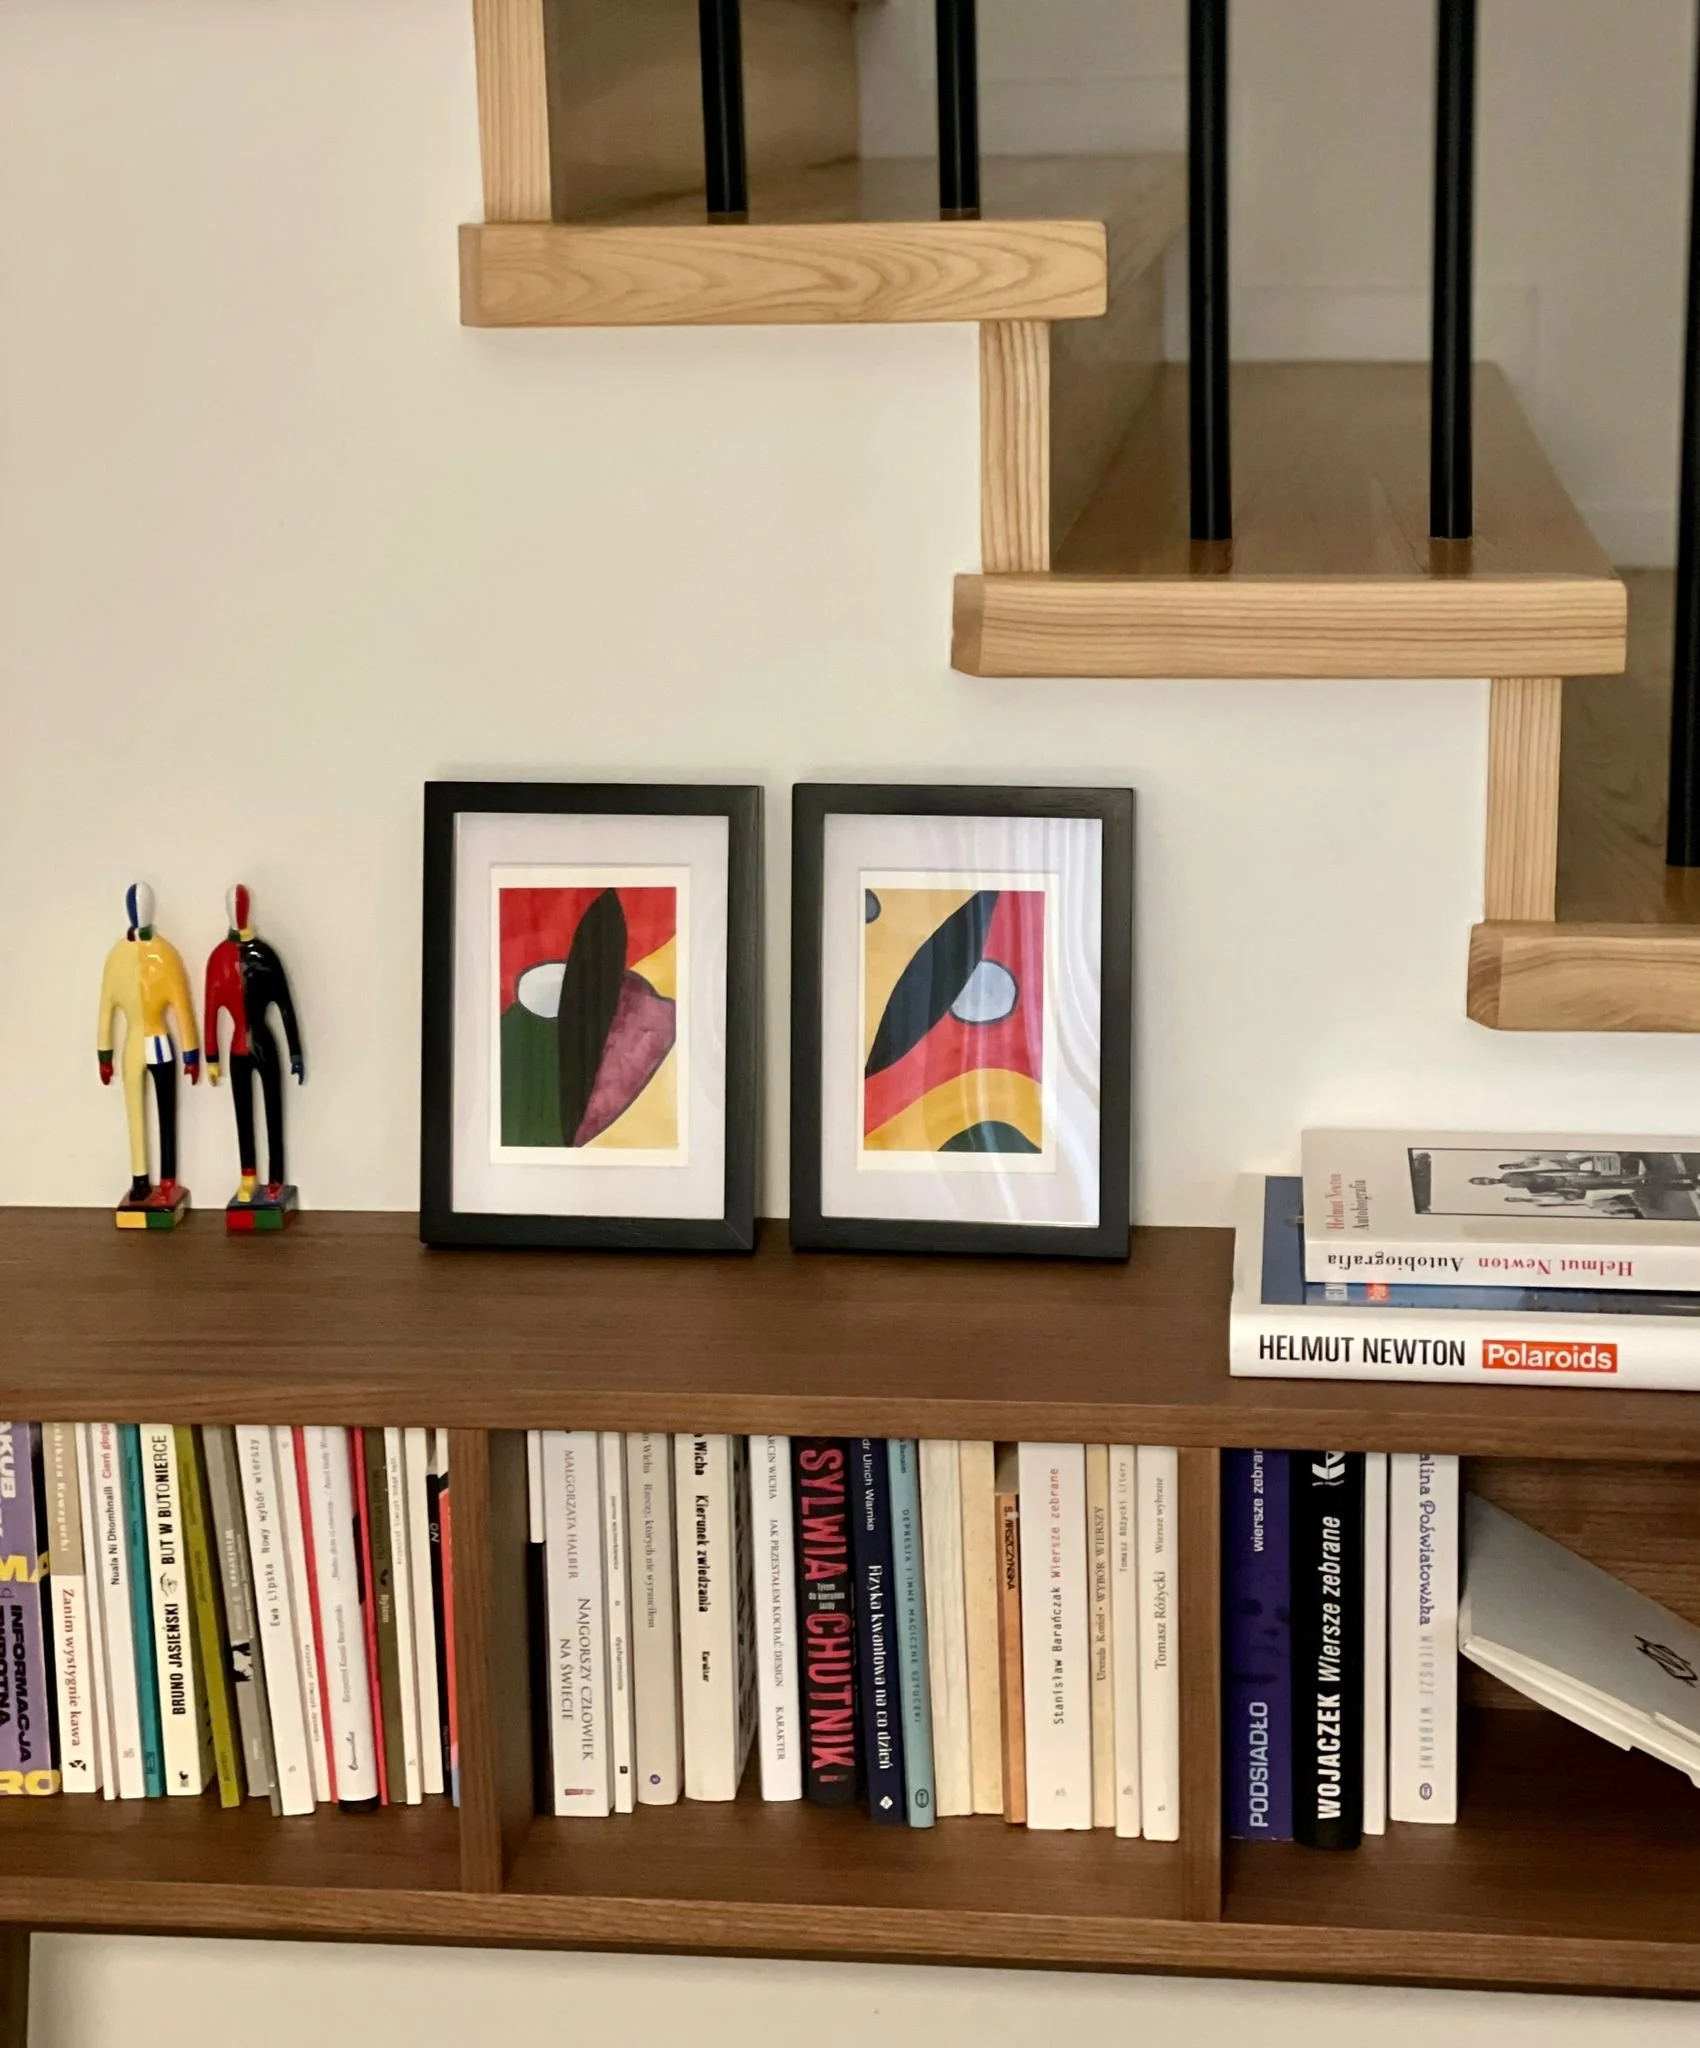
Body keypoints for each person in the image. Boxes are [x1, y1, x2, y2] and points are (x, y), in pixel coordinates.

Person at [96, 882, 200, 1220]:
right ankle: (139, 1178)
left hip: (158, 1041)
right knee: (135, 1112)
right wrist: (104, 1055)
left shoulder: (164, 954)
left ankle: (167, 1178)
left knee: (166, 1111)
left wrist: (191, 1052)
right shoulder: (117, 957)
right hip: (135, 1044)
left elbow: (181, 1005)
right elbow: (106, 1009)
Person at [204, 883, 305, 1215]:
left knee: (273, 1109)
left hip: (263, 1043)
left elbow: (285, 1005)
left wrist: (295, 1051)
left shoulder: (265, 955)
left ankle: (275, 1177)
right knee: (243, 1114)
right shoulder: (219, 958)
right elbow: (210, 1009)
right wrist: (211, 1056)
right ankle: (248, 1175)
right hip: (238, 1049)